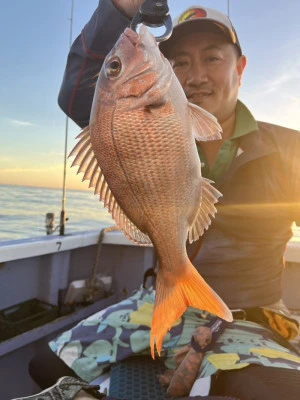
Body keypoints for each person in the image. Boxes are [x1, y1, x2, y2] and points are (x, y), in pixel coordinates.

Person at [29, 1, 300, 399]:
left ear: (240, 69)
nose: (197, 76)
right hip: (157, 299)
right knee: (45, 366)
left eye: (212, 58)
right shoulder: (141, 119)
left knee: (277, 391)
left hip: (251, 313)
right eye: (182, 63)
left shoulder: (290, 148)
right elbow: (78, 93)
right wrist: (120, 8)